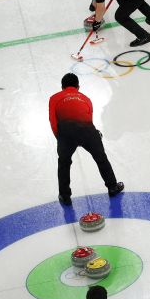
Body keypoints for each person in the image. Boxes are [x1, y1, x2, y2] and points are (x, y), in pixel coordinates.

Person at [49, 72, 124, 205]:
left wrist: (60, 138)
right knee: (101, 158)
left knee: (64, 164)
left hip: (66, 132)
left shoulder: (54, 98)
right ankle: (112, 187)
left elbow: (53, 121)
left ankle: (64, 195)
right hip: (87, 130)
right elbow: (88, 119)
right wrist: (91, 136)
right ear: (78, 87)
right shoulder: (86, 98)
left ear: (62, 87)